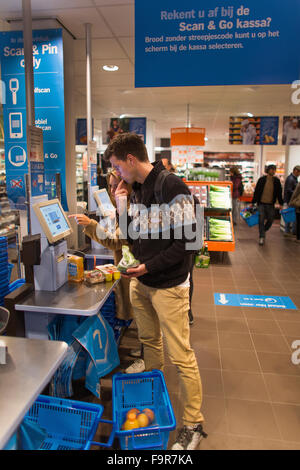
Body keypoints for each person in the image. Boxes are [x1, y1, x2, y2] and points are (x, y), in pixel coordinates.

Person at [104, 133, 206, 450]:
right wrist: (121, 201)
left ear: (131, 160)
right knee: (150, 342)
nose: (117, 173)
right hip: (142, 285)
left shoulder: (170, 187)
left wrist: (148, 267)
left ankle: (194, 424)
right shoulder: (137, 190)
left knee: (182, 356)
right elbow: (132, 237)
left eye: (117, 166)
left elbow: (188, 244)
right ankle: (153, 391)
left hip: (170, 288)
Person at [69, 169, 145, 374]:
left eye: (116, 185)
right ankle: (145, 352)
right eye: (110, 186)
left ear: (127, 186)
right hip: (131, 267)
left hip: (134, 269)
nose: (112, 190)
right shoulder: (128, 206)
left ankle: (147, 359)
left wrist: (90, 224)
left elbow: (114, 241)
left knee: (143, 315)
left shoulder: (129, 208)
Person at [252, 164, 283, 245]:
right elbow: (257, 192)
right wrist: (253, 202)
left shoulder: (276, 181)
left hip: (270, 204)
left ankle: (263, 230)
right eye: (271, 169)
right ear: (268, 170)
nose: (273, 171)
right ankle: (261, 237)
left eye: (274, 170)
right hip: (261, 203)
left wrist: (281, 203)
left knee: (271, 219)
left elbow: (279, 193)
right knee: (261, 219)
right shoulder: (261, 180)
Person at [283, 165, 300, 236]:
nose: (299, 173)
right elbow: (289, 190)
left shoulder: (293, 178)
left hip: (290, 200)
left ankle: (289, 231)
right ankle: (290, 231)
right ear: (295, 171)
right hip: (291, 200)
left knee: (290, 216)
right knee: (291, 216)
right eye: (298, 171)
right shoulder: (291, 179)